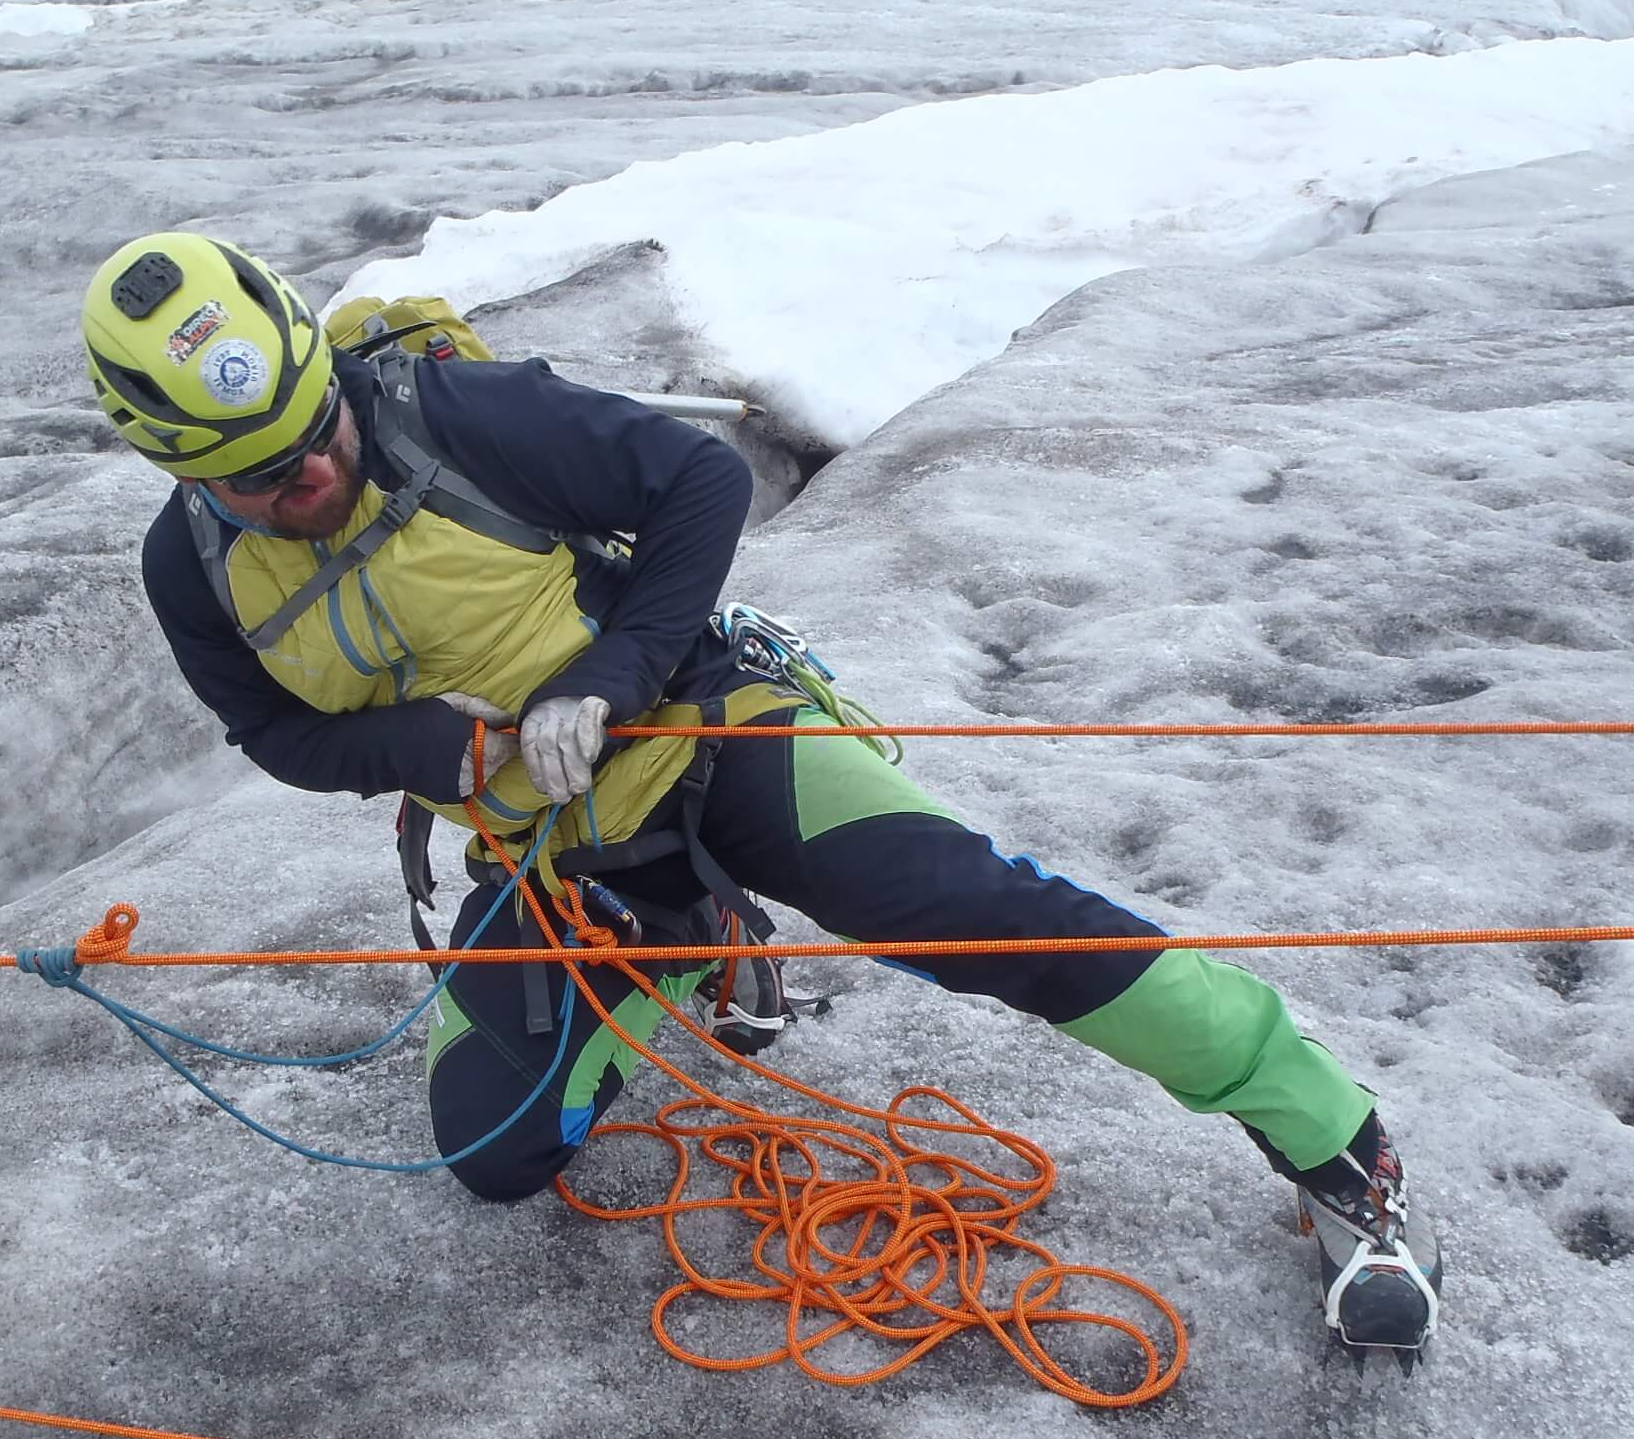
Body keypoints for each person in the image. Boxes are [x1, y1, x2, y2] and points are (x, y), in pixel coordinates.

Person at [86, 231, 1442, 1360]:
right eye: (260, 473)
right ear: (179, 466)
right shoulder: (191, 567)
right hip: (563, 854)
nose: (306, 472)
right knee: (495, 1151)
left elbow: (696, 483)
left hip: (715, 734)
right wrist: (415, 750)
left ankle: (1332, 1137)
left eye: (311, 428)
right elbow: (269, 728)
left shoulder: (456, 418)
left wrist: (612, 675)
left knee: (984, 919)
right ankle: (684, 943)